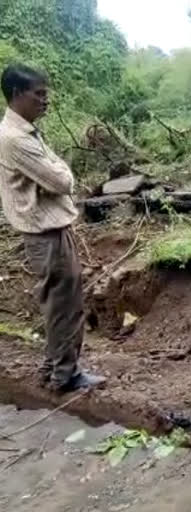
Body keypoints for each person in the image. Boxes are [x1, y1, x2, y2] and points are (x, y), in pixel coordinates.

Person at [0, 64, 106, 393]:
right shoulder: (16, 139)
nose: (46, 101)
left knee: (58, 303)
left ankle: (52, 368)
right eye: (39, 94)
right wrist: (62, 171)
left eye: (47, 94)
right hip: (46, 235)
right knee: (64, 306)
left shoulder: (26, 131)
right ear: (17, 94)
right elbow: (62, 180)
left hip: (48, 231)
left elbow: (57, 173)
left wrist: (58, 170)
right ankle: (65, 376)